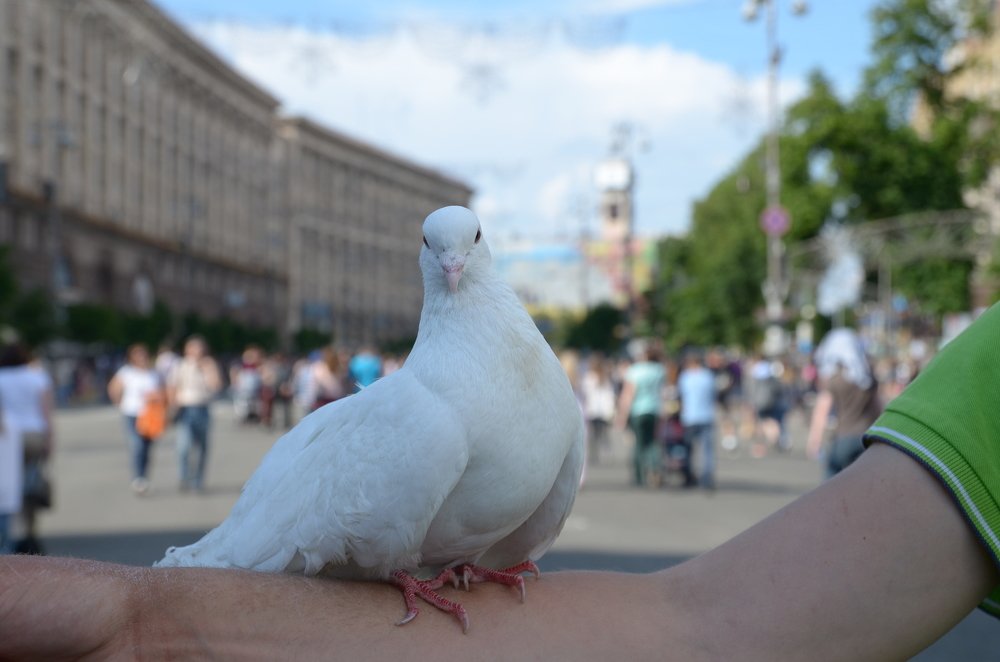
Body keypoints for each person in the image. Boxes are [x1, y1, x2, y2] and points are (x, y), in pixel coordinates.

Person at [2, 305, 1000, 659]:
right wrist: (153, 623)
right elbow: (711, 629)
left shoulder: (545, 412)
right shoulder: (410, 410)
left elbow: (711, 632)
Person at [0, 335, 54, 555]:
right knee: (30, 485)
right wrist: (50, 440)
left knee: (9, 487)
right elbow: (46, 412)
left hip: (7, 436)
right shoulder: (36, 377)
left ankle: (13, 535)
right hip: (34, 433)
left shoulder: (1, 377)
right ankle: (28, 532)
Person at [806, 328, 883, 477]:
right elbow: (879, 408)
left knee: (831, 476)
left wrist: (815, 439)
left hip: (843, 437)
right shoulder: (867, 378)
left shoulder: (835, 379)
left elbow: (821, 412)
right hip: (867, 439)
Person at [166, 336, 222, 493]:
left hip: (203, 407)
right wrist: (172, 405)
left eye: (200, 348)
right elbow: (172, 386)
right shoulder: (180, 365)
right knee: (183, 446)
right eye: (194, 347)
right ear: (187, 349)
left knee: (202, 447)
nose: (197, 351)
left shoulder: (209, 364)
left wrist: (208, 369)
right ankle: (184, 476)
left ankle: (198, 480)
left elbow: (216, 385)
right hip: (185, 408)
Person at [107, 344, 165, 495]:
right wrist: (119, 403)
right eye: (138, 355)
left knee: (146, 447)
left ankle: (143, 476)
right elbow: (113, 387)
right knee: (136, 445)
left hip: (150, 415)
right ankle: (138, 478)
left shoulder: (154, 373)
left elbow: (162, 391)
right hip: (131, 413)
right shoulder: (126, 372)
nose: (142, 358)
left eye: (144, 355)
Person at [615, 344, 665, 487]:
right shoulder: (659, 370)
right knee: (652, 442)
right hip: (654, 409)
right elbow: (663, 391)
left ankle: (639, 475)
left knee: (638, 443)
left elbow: (628, 394)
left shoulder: (634, 370)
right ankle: (655, 467)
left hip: (637, 410)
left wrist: (622, 415)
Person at [677, 350, 717, 490]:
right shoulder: (708, 376)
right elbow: (713, 395)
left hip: (689, 417)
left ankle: (689, 476)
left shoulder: (685, 377)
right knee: (707, 450)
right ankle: (707, 478)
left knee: (688, 449)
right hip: (706, 415)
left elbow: (680, 396)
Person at [580, 355, 616, 466]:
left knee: (594, 433)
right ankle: (605, 451)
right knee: (603, 433)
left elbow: (584, 393)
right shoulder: (604, 377)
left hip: (592, 409)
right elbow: (610, 394)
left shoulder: (589, 377)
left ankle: (594, 453)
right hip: (602, 410)